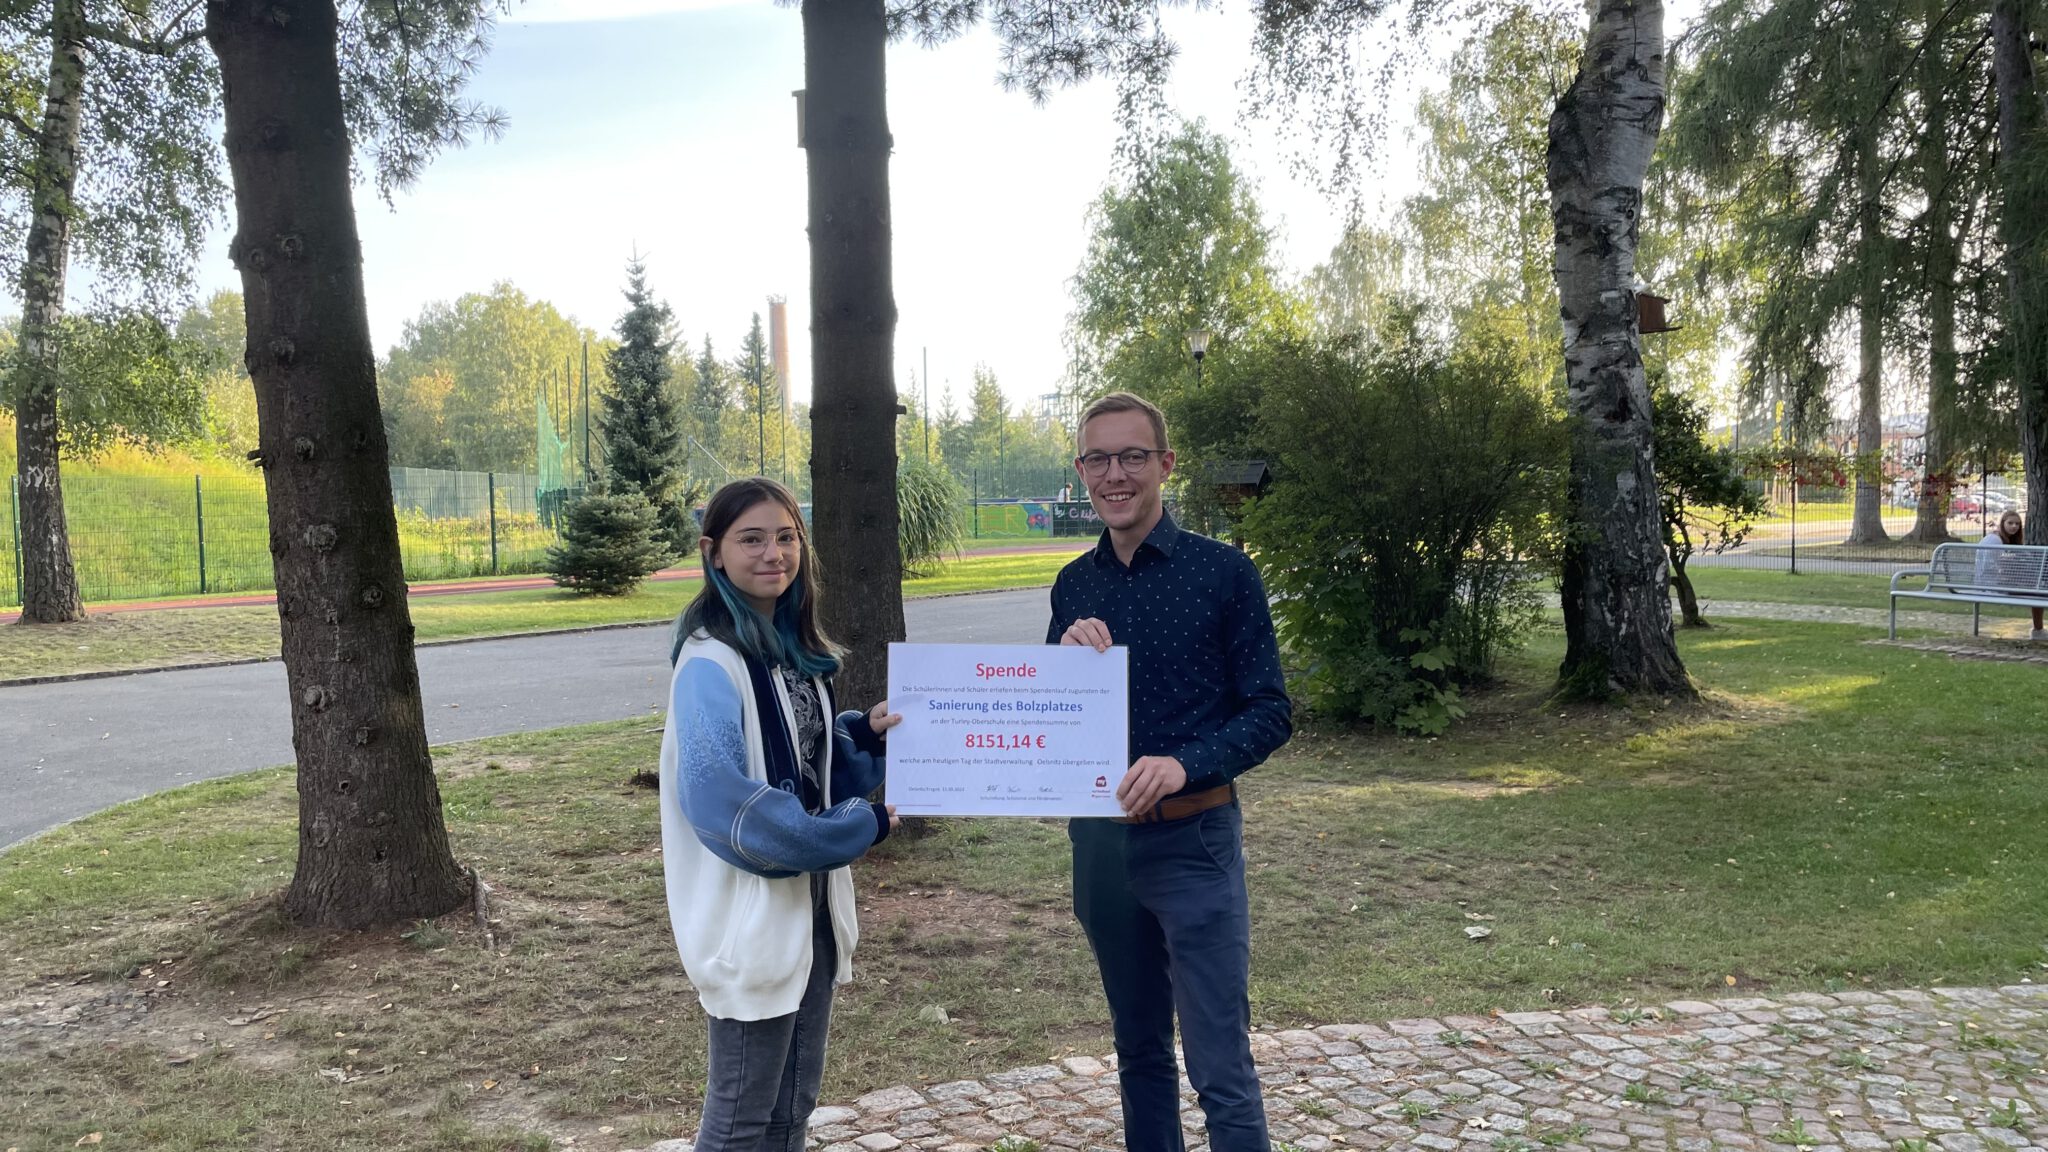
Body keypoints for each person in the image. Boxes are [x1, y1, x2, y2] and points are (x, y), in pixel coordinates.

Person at [1045, 392, 1293, 1152]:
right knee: (1140, 1054)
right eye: (1097, 459)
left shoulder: (1223, 574)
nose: (1113, 474)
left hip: (1195, 841)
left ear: (1164, 464)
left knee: (1220, 1065)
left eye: (1131, 457)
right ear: (1082, 470)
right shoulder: (1072, 584)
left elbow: (1269, 711)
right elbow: (1049, 716)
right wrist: (1055, 666)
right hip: (1102, 847)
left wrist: (1185, 765)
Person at [658, 476, 902, 1152]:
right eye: (752, 539)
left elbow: (803, 765)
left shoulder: (790, 654)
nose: (774, 554)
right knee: (739, 1124)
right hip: (750, 926)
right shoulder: (711, 662)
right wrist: (861, 827)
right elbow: (725, 804)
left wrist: (864, 737)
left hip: (811, 919)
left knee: (789, 1114)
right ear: (713, 553)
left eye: (786, 537)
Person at [1977, 509, 2045, 640]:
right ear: (2002, 523)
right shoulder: (1995, 540)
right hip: (1992, 586)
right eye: (2010, 523)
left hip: (1998, 583)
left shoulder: (2007, 540)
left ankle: (2038, 630)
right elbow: (1993, 566)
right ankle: (2038, 631)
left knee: (2039, 589)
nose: (2014, 526)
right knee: (2040, 592)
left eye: (2017, 524)